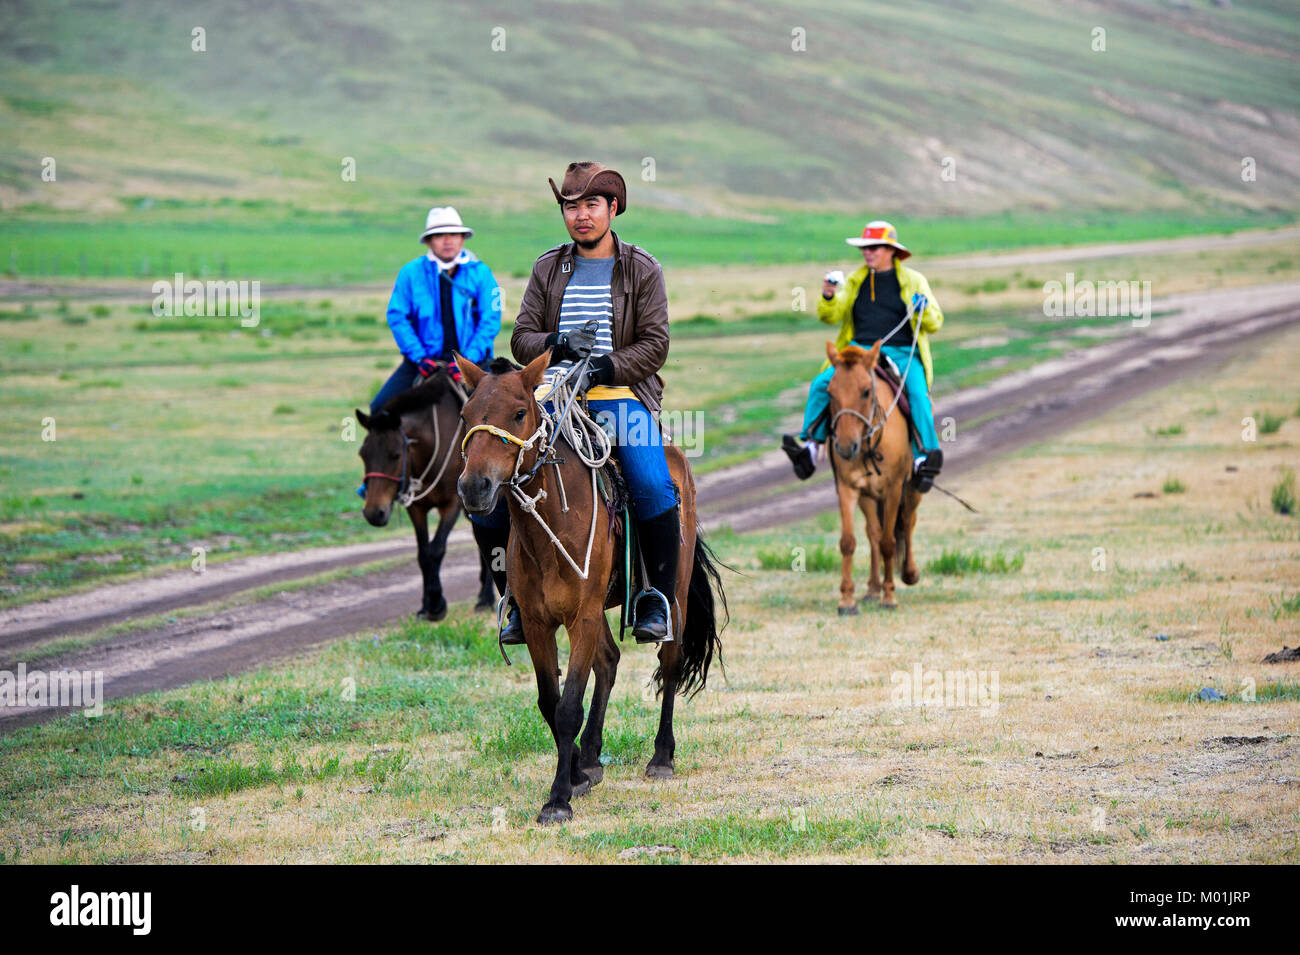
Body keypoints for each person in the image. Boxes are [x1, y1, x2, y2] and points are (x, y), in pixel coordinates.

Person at [468, 161, 680, 645]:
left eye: (590, 205)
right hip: (547, 395)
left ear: (611, 209)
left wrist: (606, 367)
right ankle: (515, 602)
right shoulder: (548, 267)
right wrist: (559, 345)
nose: (580, 215)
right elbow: (522, 337)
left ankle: (657, 599)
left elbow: (655, 343)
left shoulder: (642, 268)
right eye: (570, 206)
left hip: (618, 394)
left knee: (651, 479)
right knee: (490, 479)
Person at [782, 220, 946, 491]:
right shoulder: (854, 281)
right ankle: (811, 447)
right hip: (857, 352)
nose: (868, 252)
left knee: (917, 394)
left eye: (874, 248)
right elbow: (830, 316)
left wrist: (922, 309)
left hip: (902, 351)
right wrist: (828, 295)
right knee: (822, 384)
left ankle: (924, 456)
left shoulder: (915, 281)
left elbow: (935, 322)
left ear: (891, 250)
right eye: (865, 248)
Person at [370, 206, 501, 414]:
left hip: (473, 362)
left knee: (504, 411)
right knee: (380, 408)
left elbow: (490, 320)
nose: (447, 240)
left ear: (462, 238)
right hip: (424, 362)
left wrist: (466, 361)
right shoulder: (411, 273)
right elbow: (397, 317)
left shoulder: (481, 273)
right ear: (429, 241)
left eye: (453, 234)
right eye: (439, 235)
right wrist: (420, 357)